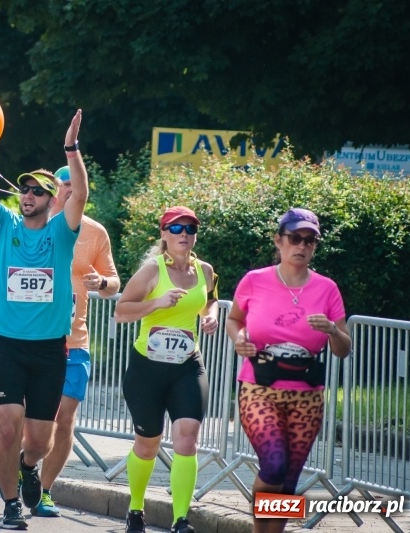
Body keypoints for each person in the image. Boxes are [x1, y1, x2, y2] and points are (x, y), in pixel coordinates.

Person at [0, 95, 87, 530]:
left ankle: (29, 466)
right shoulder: (5, 225)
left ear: (52, 200)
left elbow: (81, 193)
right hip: (8, 346)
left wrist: (71, 148)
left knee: (38, 439)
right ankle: (10, 503)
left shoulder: (62, 232)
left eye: (38, 191)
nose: (29, 195)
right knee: (7, 425)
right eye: (25, 189)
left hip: (50, 349)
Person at [225, 208, 350, 533]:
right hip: (260, 387)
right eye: (295, 238)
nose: (302, 246)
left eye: (310, 241)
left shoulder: (327, 288)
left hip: (307, 395)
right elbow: (234, 319)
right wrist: (240, 339)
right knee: (274, 465)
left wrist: (332, 331)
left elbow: (344, 348)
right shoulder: (254, 280)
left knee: (290, 478)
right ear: (278, 240)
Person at [114, 206, 219, 533]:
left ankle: (180, 519)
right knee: (148, 444)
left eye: (190, 229)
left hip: (188, 366)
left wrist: (210, 316)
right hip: (148, 369)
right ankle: (135, 508)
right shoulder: (152, 270)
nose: (183, 234)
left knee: (187, 438)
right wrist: (156, 303)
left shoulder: (205, 270)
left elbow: (211, 299)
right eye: (175, 228)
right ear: (163, 234)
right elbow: (121, 311)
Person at [30, 166, 121, 517]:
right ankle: (26, 465)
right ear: (53, 190)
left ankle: (45, 490)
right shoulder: (35, 222)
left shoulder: (95, 232)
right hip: (30, 338)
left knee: (65, 418)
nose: (69, 190)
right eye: (63, 185)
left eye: (74, 184)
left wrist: (101, 283)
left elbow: (113, 282)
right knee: (30, 422)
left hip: (74, 341)